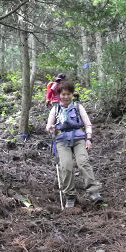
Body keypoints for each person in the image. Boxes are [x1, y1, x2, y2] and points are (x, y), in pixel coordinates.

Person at [45, 80, 102, 208]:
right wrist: (50, 128)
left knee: (83, 163)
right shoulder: (55, 109)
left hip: (79, 138)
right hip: (62, 140)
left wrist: (89, 139)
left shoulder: (78, 107)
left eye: (68, 94)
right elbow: (48, 125)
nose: (66, 97)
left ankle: (94, 192)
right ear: (59, 95)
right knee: (66, 166)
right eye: (63, 94)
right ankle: (70, 196)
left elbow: (87, 124)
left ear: (72, 94)